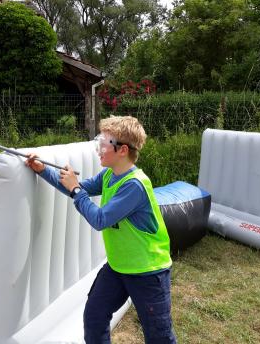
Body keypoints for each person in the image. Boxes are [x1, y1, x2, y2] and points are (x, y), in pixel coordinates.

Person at [25, 115, 176, 344]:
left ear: (122, 150)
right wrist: (43, 169)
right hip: (119, 267)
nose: (99, 149)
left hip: (148, 272)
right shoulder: (109, 175)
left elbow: (99, 219)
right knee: (94, 317)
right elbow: (75, 187)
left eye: (103, 144)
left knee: (159, 337)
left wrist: (76, 190)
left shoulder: (134, 185)